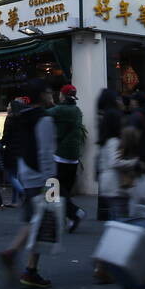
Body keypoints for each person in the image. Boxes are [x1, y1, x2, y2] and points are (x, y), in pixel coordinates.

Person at [0, 80, 59, 289]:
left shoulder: (22, 117)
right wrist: (51, 181)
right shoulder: (44, 119)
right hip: (41, 176)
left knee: (33, 220)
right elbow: (46, 152)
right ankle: (29, 269)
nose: (52, 95)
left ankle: (14, 254)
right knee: (41, 222)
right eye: (49, 91)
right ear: (42, 95)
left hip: (26, 172)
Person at [91, 123, 145, 284]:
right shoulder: (114, 142)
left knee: (116, 224)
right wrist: (134, 164)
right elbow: (115, 163)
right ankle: (103, 264)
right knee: (119, 226)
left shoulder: (109, 142)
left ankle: (103, 264)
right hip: (115, 187)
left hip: (112, 187)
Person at [50, 83, 87, 232]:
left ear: (63, 95)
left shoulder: (60, 110)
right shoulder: (77, 110)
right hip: (73, 157)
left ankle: (74, 212)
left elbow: (44, 114)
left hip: (61, 155)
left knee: (54, 187)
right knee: (64, 189)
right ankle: (68, 218)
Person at [95, 89, 124, 220]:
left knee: (115, 214)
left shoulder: (103, 119)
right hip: (115, 181)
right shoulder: (114, 141)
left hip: (106, 179)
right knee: (118, 216)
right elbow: (115, 161)